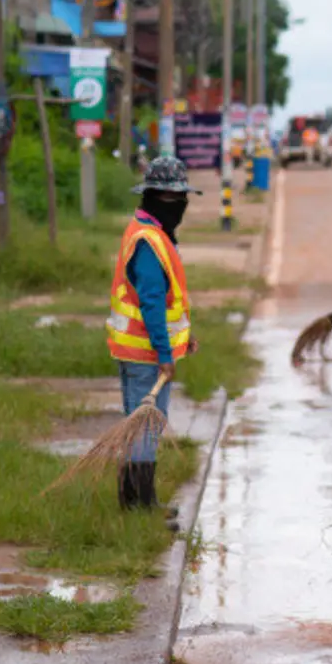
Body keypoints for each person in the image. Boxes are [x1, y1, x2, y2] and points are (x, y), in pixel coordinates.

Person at [106, 156, 203, 532]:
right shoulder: (149, 241)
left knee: (142, 426)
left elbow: (165, 300)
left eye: (181, 196)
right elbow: (149, 302)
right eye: (173, 197)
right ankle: (140, 507)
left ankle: (137, 503)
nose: (179, 204)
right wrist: (165, 355)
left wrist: (183, 338)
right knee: (145, 429)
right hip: (144, 356)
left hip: (141, 352)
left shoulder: (151, 232)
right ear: (156, 198)